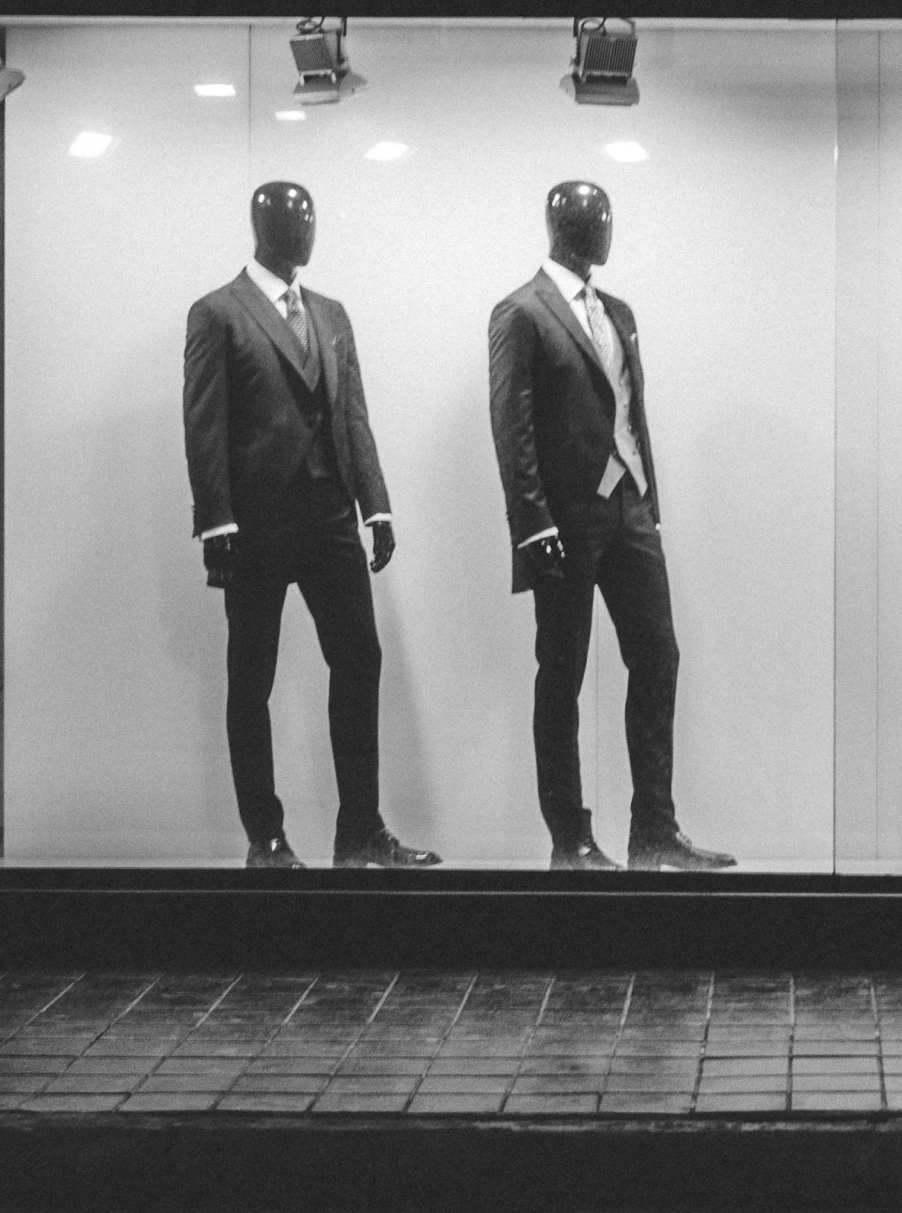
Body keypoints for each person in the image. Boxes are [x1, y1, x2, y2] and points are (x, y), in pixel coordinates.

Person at [181, 181, 439, 870]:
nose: (305, 230)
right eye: (289, 218)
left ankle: (360, 832)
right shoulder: (218, 313)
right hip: (257, 525)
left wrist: (375, 506)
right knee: (252, 677)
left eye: (311, 217)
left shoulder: (330, 314)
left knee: (360, 659)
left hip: (329, 516)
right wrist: (217, 525)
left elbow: (352, 414)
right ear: (259, 225)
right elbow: (204, 426)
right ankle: (265, 838)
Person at [487, 181, 735, 872]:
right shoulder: (522, 313)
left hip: (627, 508)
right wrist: (531, 524)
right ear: (557, 225)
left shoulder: (617, 312)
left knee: (658, 656)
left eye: (606, 215)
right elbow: (512, 428)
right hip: (562, 523)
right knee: (560, 672)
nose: (602, 228)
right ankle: (570, 838)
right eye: (589, 217)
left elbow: (628, 409)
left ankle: (654, 829)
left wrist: (647, 495)